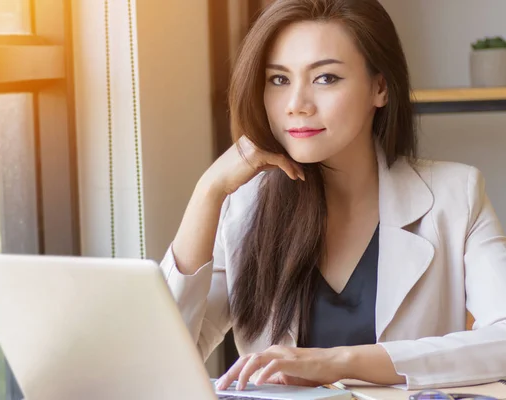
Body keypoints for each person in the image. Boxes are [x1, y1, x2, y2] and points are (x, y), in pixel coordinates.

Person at [159, 0, 506, 392]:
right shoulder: (242, 205)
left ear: (380, 87)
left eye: (325, 78)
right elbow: (160, 358)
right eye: (278, 80)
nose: (296, 106)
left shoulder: (455, 195)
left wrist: (339, 361)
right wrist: (207, 191)